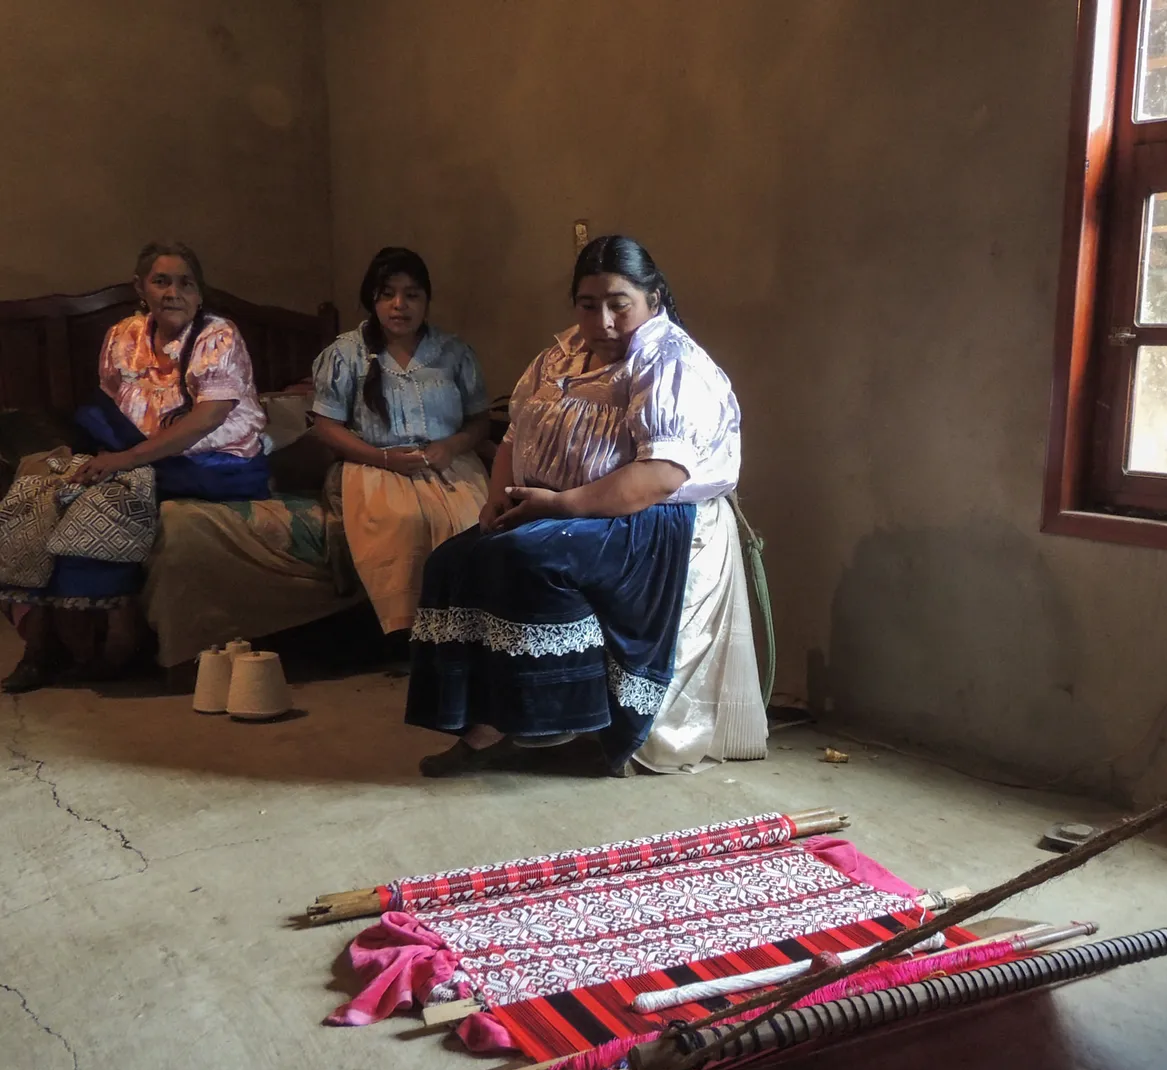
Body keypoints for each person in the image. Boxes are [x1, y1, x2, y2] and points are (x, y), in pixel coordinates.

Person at [407, 235, 766, 776]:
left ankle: (556, 722)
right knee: (452, 562)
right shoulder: (559, 355)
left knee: (528, 560)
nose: (603, 321)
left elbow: (661, 475)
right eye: (588, 304)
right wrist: (495, 501)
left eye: (619, 304)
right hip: (556, 507)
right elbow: (512, 438)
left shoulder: (670, 364)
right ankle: (487, 719)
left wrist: (561, 506)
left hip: (645, 516)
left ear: (654, 298)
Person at [0, 241, 269, 692]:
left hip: (212, 462)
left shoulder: (218, 335)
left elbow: (208, 418)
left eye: (186, 283)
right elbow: (110, 411)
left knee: (108, 497)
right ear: (140, 287)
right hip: (136, 450)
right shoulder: (123, 335)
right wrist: (93, 458)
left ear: (200, 294)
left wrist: (124, 460)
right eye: (161, 281)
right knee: (43, 491)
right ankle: (41, 646)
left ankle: (113, 643)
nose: (174, 292)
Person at [308, 247, 491, 636]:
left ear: (426, 300)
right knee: (405, 522)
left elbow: (479, 421)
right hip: (374, 464)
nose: (399, 305)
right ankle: (413, 631)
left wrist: (453, 446)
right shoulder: (347, 353)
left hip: (446, 462)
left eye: (412, 294)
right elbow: (326, 426)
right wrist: (383, 458)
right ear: (372, 300)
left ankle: (462, 630)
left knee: (468, 523)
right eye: (387, 293)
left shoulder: (453, 353)